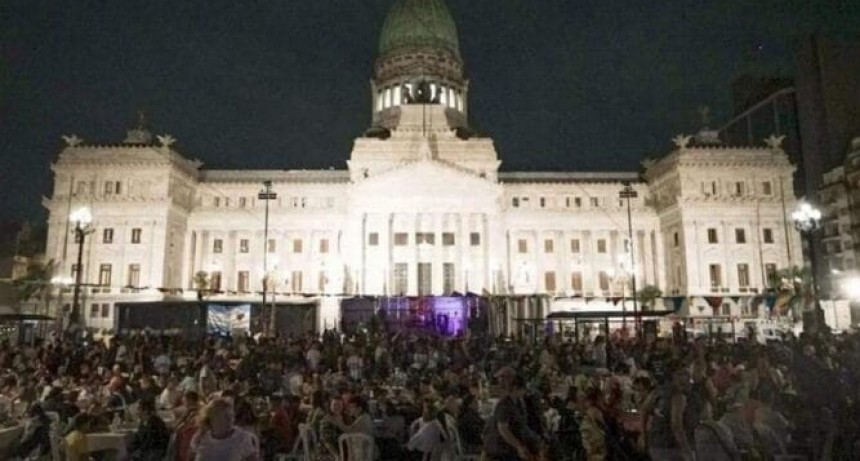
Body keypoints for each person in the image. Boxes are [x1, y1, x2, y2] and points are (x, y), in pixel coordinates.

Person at [644, 365, 694, 461]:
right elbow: (676, 425)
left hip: (655, 445)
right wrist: (687, 450)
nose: (687, 376)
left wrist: (643, 435)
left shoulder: (658, 391)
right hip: (671, 447)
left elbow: (644, 409)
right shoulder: (678, 396)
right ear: (674, 375)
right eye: (683, 373)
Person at [190, 398, 259, 461]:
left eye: (231, 416)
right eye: (225, 416)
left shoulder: (243, 438)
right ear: (212, 418)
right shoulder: (200, 438)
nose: (230, 420)